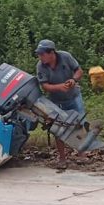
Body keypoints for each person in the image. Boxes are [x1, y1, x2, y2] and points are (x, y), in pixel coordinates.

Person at [35, 39, 86, 169]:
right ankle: (62, 158)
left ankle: (81, 154)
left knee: (79, 123)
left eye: (42, 54)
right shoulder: (40, 66)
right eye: (39, 54)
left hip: (74, 96)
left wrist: (73, 80)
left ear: (51, 52)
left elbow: (79, 71)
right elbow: (44, 85)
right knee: (57, 128)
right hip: (56, 100)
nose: (40, 57)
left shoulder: (65, 56)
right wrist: (60, 87)